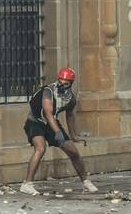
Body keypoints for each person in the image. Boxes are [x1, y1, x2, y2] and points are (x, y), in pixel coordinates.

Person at [19, 67, 97, 195]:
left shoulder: (70, 97)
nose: (62, 85)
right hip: (36, 121)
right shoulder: (49, 91)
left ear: (71, 84)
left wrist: (72, 135)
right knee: (40, 148)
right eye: (60, 81)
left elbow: (70, 115)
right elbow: (48, 113)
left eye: (66, 83)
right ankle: (27, 184)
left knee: (73, 152)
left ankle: (86, 181)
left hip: (52, 123)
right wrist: (57, 132)